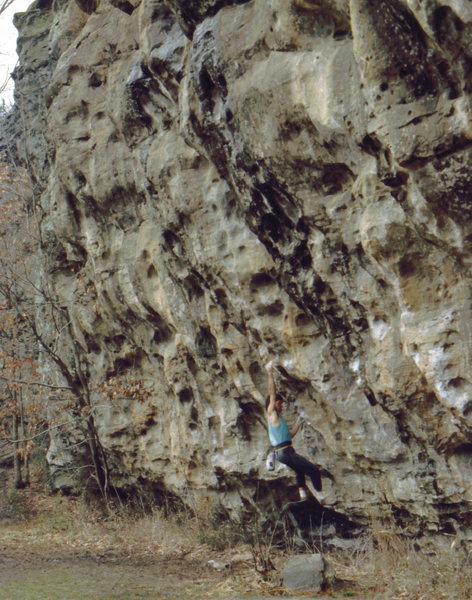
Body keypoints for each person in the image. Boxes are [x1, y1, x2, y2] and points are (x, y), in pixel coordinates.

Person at [265, 360, 326, 503]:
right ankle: (321, 495)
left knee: (300, 470)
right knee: (313, 471)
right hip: (284, 452)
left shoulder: (279, 421)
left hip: (285, 451)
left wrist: (300, 420)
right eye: (280, 403)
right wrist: (269, 372)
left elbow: (290, 435)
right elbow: (272, 394)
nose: (282, 405)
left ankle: (302, 494)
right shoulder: (272, 414)